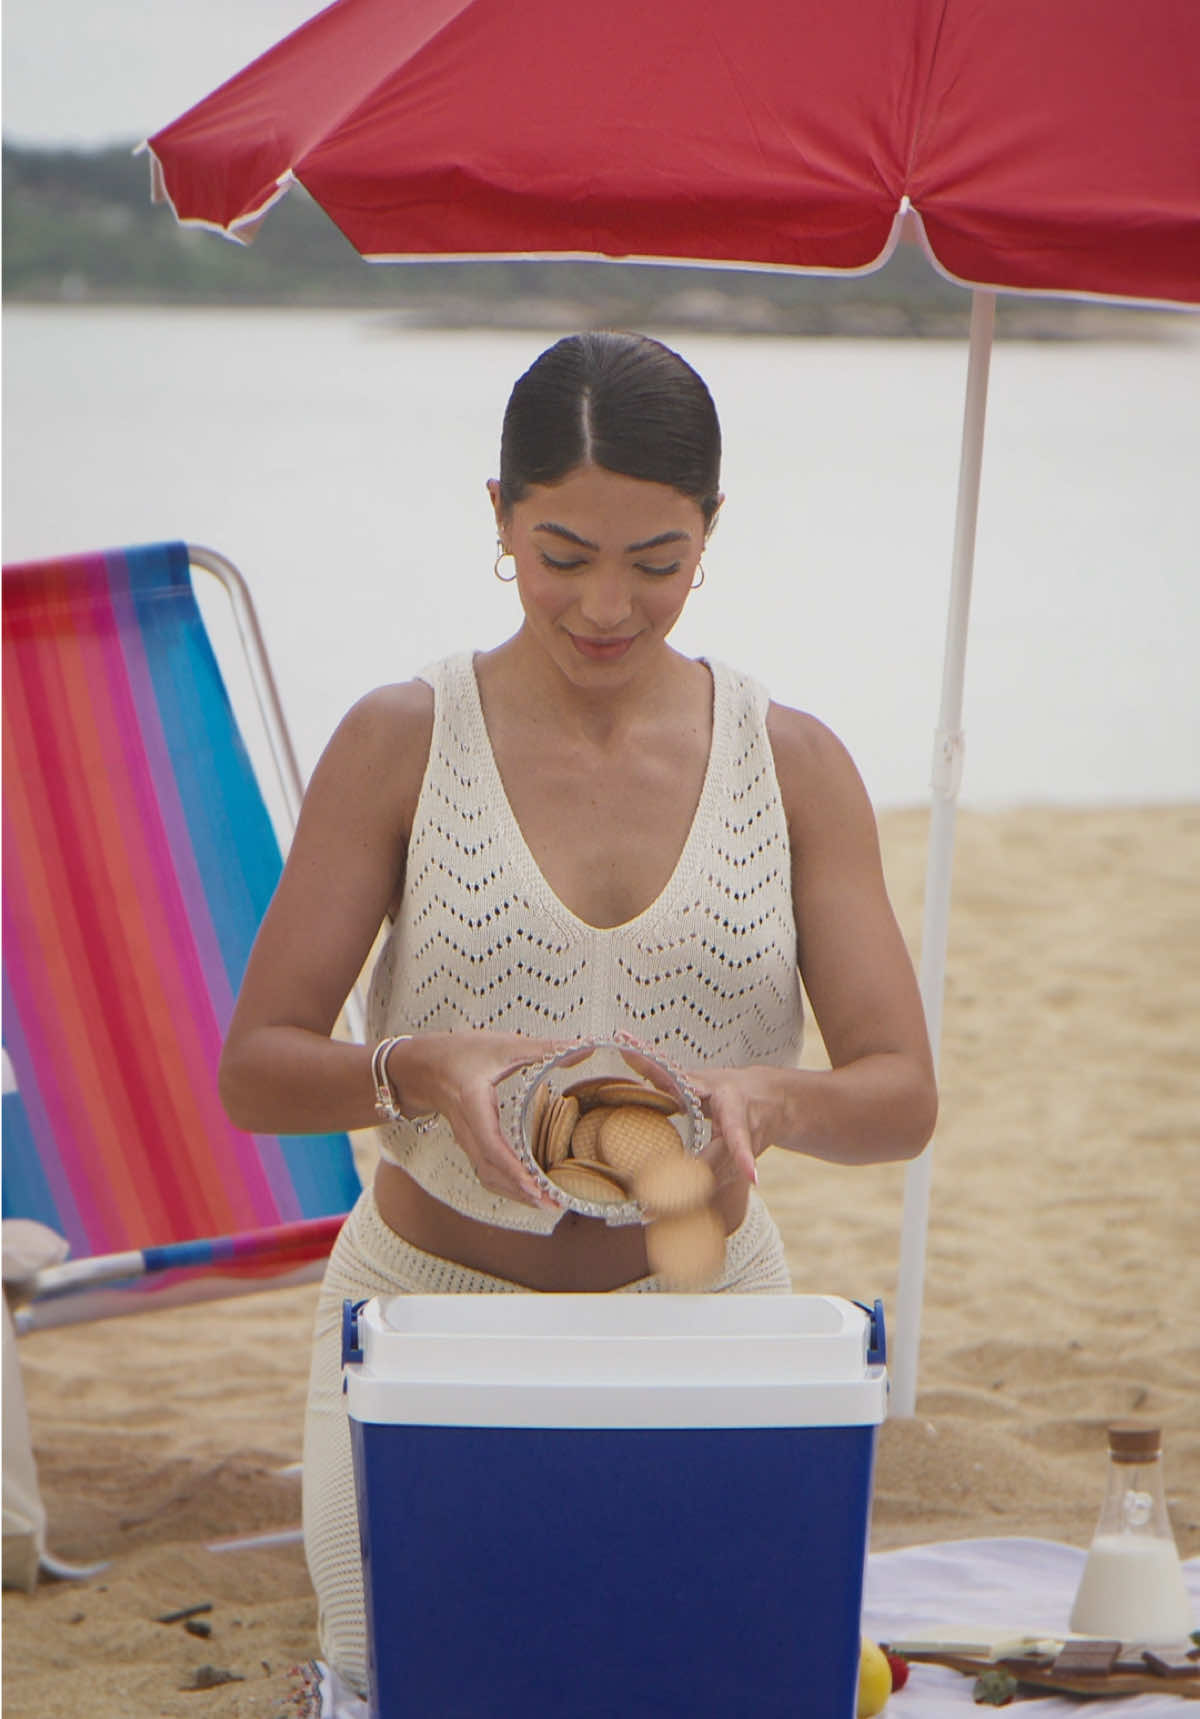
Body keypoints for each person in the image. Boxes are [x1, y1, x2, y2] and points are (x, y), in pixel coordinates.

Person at [219, 330, 938, 1695]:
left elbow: (900, 1091)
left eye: (655, 563)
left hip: (712, 1314)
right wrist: (412, 1070)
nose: (609, 605)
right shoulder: (402, 739)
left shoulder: (791, 763)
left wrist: (769, 1100)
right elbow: (255, 1071)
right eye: (564, 556)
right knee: (409, 1683)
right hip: (425, 1320)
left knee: (710, 1685)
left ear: (710, 536)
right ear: (497, 517)